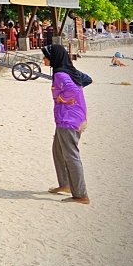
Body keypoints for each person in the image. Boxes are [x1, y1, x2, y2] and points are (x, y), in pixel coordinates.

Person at [41, 44, 90, 204]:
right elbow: (86, 80)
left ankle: (81, 195)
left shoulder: (61, 74)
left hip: (69, 119)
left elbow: (72, 89)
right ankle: (66, 184)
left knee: (71, 155)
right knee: (58, 151)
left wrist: (64, 99)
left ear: (54, 58)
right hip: (70, 117)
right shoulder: (68, 70)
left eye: (46, 56)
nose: (44, 59)